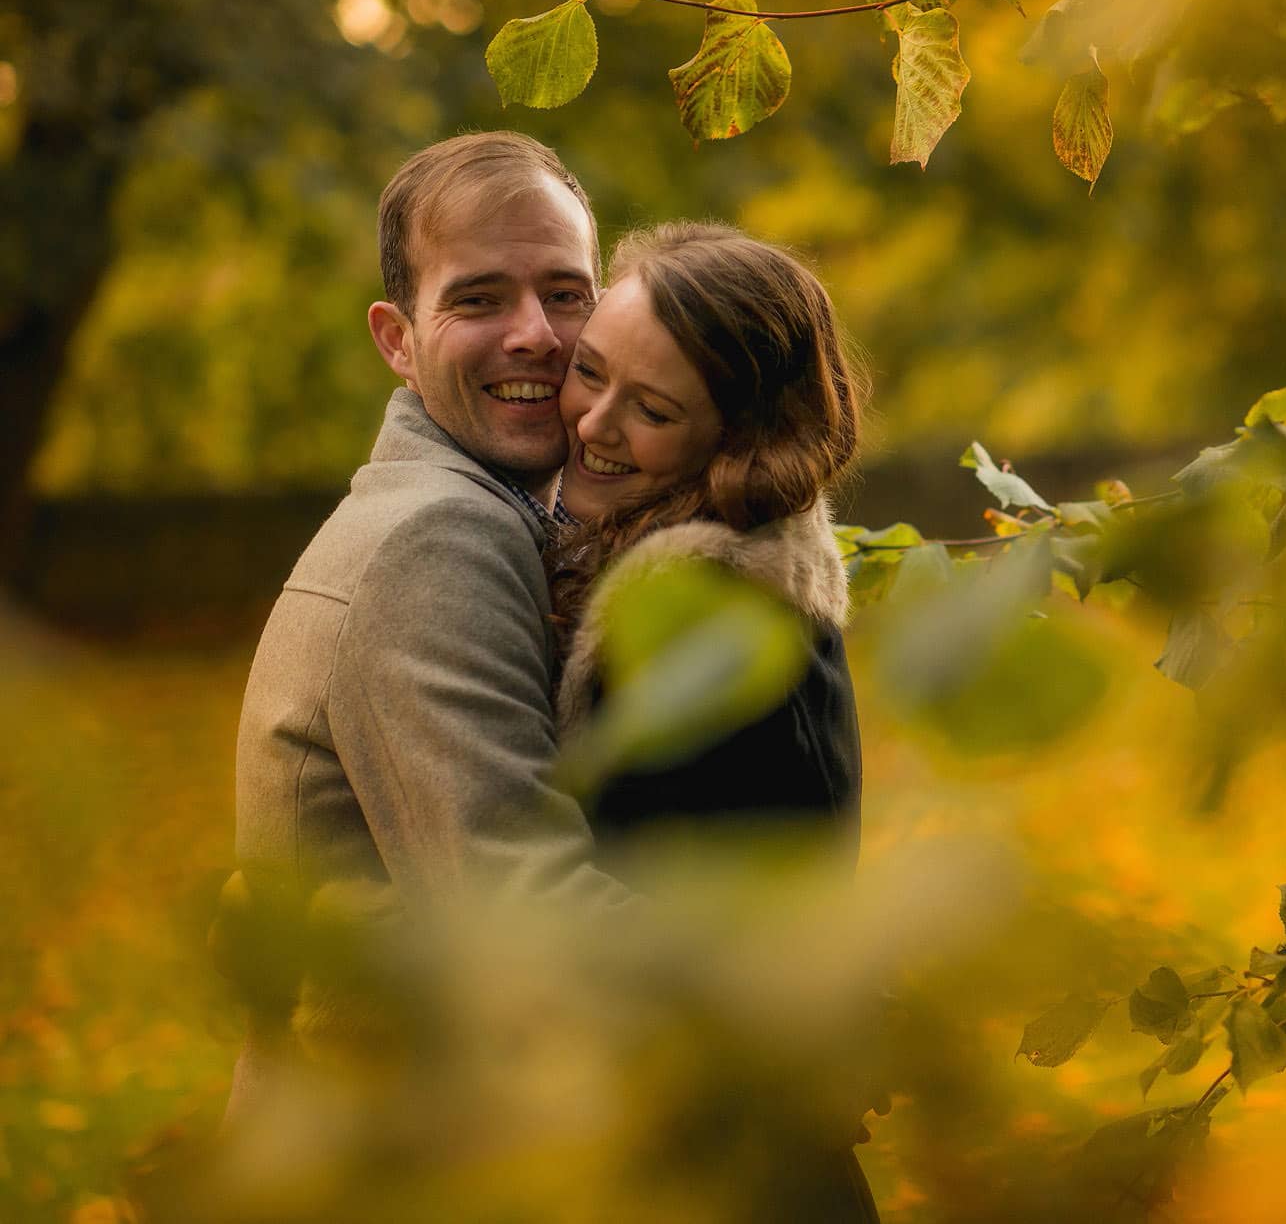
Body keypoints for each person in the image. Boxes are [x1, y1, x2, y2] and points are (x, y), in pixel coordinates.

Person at [227, 131, 639, 1116]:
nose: (536, 333)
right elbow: (524, 922)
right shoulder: (437, 538)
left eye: (566, 292)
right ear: (396, 339)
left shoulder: (480, 512)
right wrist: (799, 1005)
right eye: (478, 298)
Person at [540, 220, 875, 1219]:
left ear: (736, 440)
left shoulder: (706, 633)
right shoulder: (690, 568)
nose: (594, 423)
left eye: (648, 409)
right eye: (587, 372)